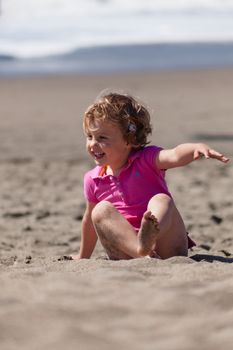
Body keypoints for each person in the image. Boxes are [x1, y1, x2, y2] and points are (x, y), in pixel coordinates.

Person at [76, 92, 229, 260]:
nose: (92, 144)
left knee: (161, 199)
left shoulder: (146, 159)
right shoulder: (93, 179)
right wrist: (82, 256)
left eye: (102, 138)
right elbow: (90, 224)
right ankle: (141, 250)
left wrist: (195, 148)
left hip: (167, 246)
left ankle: (147, 239)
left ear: (129, 140)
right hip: (126, 251)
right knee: (99, 211)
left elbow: (175, 155)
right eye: (89, 136)